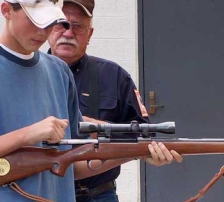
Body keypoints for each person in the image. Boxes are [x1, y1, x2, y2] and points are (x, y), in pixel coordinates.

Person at [0, 0, 181, 202]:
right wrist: (27, 134)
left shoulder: (58, 72)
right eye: (35, 20)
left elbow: (72, 164)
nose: (43, 32)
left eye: (50, 21)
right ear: (6, 9)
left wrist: (137, 152)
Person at [48, 0, 183, 201]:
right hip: (44, 194)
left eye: (78, 26)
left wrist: (151, 154)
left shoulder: (114, 76)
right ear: (49, 27)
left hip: (99, 195)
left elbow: (145, 136)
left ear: (90, 34)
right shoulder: (29, 75)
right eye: (62, 24)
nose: (68, 33)